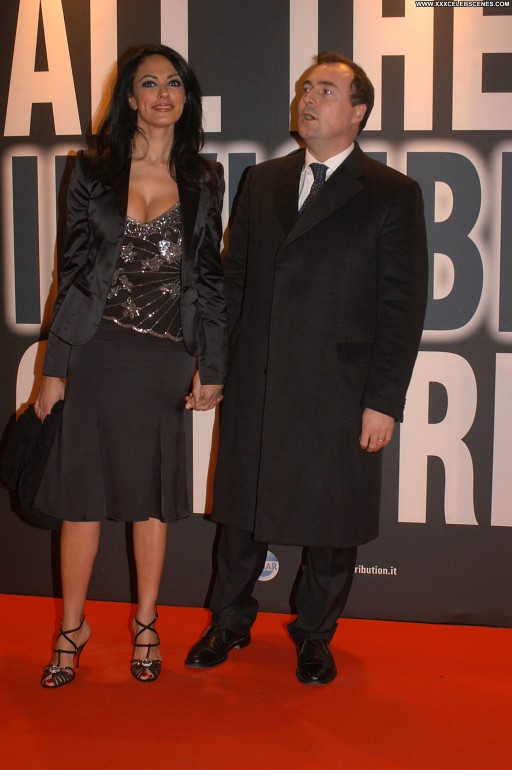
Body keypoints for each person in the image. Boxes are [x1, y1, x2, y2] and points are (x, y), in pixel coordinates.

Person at [185, 53, 428, 684]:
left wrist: (384, 400)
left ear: (359, 111)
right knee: (241, 515)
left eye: (326, 90)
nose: (308, 99)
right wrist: (215, 365)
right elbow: (234, 281)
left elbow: (402, 307)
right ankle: (228, 622)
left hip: (339, 388)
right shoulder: (263, 181)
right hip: (258, 379)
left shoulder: (392, 193)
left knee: (333, 520)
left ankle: (315, 635)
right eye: (305, 89)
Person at [35, 44, 228, 688]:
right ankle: (72, 627)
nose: (163, 94)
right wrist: (54, 365)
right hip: (96, 351)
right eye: (149, 83)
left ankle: (147, 623)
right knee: (81, 499)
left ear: (186, 97)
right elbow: (72, 272)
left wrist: (212, 364)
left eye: (174, 83)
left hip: (166, 356)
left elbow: (210, 278)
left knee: (150, 498)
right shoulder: (91, 169)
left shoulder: (204, 178)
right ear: (129, 98)